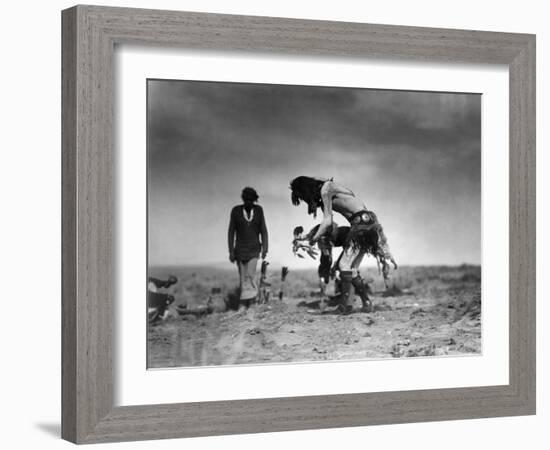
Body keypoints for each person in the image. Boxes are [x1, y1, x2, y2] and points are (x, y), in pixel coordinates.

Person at [290, 176, 397, 314]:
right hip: (368, 223)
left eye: (303, 197)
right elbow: (328, 226)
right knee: (351, 269)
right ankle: (367, 303)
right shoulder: (330, 189)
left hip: (360, 225)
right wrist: (307, 237)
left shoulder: (326, 189)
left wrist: (312, 240)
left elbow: (327, 223)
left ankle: (344, 307)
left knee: (343, 266)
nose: (305, 201)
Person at [227, 187, 269, 309]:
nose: (249, 202)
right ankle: (244, 302)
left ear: (254, 200)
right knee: (242, 277)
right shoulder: (236, 211)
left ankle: (251, 302)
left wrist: (265, 248)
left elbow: (263, 230)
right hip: (239, 250)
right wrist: (231, 251)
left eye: (251, 200)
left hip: (254, 249)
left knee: (250, 275)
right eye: (247, 200)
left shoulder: (259, 210)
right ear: (243, 199)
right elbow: (231, 232)